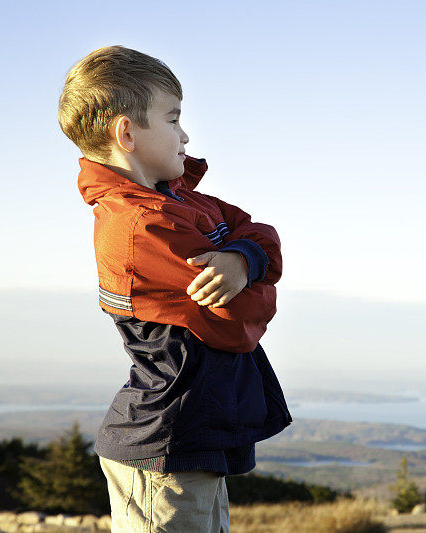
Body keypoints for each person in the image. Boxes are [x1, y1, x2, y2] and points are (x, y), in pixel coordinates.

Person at [58, 45, 293, 532]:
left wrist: (241, 258)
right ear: (127, 133)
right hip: (165, 450)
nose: (185, 135)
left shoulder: (181, 201)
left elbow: (259, 231)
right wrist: (254, 271)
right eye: (173, 119)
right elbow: (243, 321)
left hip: (194, 439)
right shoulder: (142, 226)